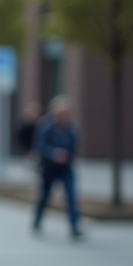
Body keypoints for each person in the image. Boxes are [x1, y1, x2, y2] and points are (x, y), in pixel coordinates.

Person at [32, 95, 83, 239]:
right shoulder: (46, 126)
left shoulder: (72, 129)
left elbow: (74, 148)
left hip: (66, 168)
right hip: (49, 168)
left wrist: (68, 157)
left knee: (71, 195)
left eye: (66, 113)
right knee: (45, 196)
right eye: (61, 113)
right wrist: (54, 153)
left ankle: (74, 226)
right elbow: (39, 146)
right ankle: (37, 220)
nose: (64, 116)